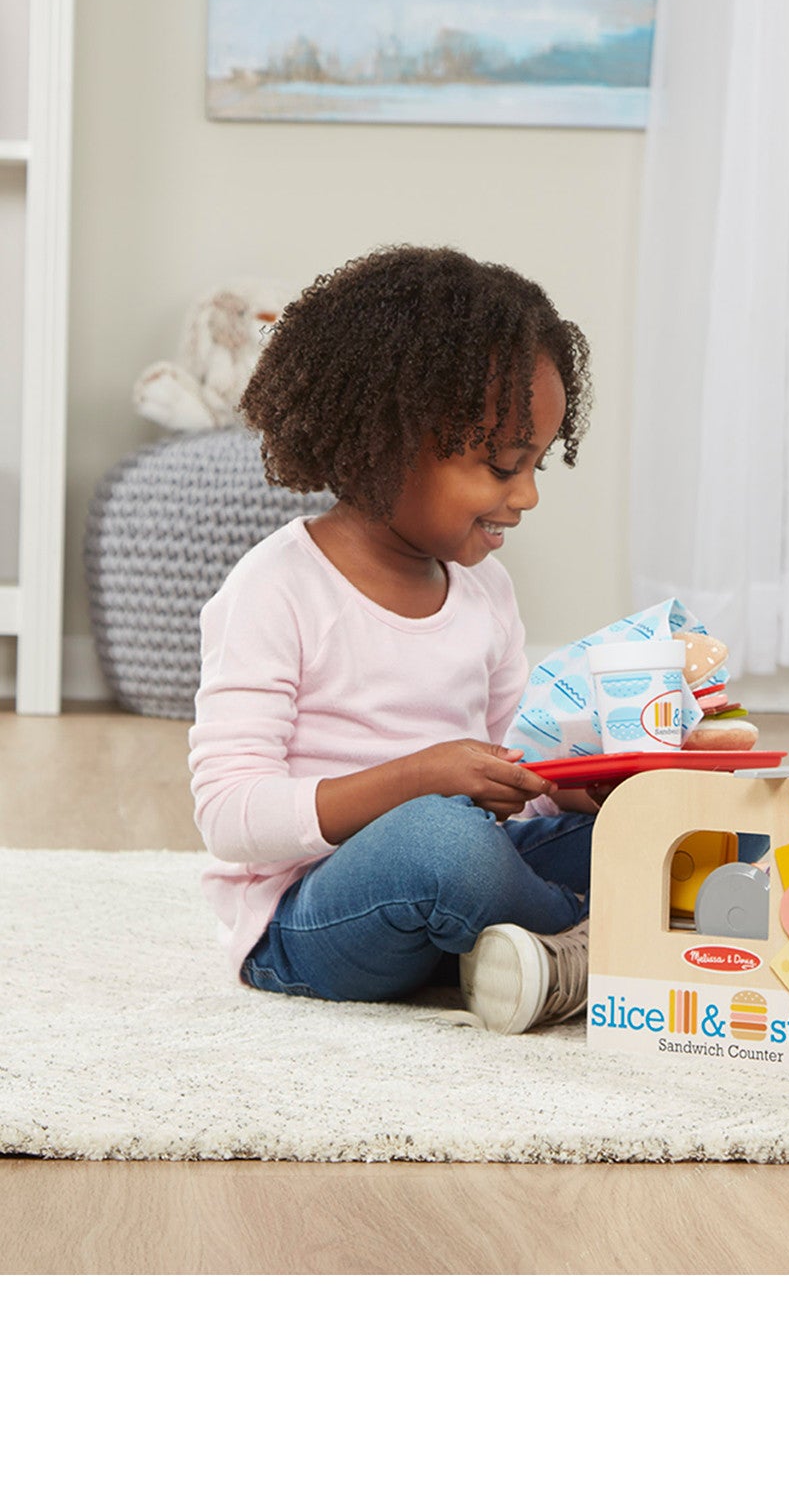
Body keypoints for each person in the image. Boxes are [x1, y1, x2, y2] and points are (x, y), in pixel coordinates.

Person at [188, 243, 610, 1034]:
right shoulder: (277, 587)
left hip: (460, 884)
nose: (526, 495)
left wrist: (589, 784)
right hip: (312, 919)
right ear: (385, 445)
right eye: (502, 466)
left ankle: (524, 947)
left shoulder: (485, 590)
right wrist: (420, 778)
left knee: (641, 832)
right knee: (442, 843)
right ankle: (593, 942)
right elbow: (231, 816)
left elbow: (517, 768)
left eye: (537, 466)